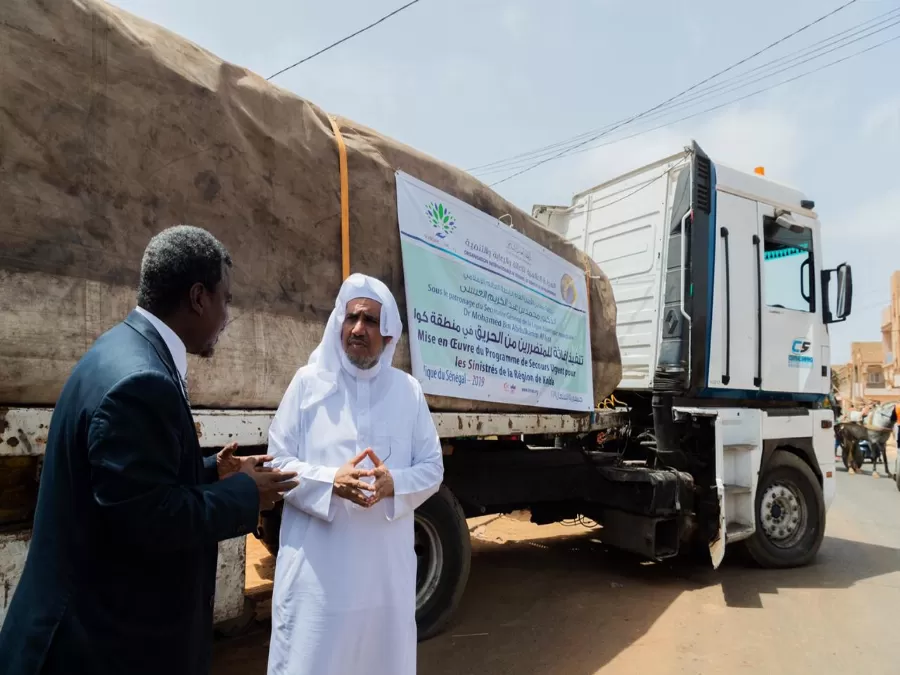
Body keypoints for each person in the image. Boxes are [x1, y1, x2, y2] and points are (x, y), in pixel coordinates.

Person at [0, 225, 298, 675]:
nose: (226, 314)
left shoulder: (125, 347)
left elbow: (128, 484)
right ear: (199, 297)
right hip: (94, 646)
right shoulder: (140, 381)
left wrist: (208, 471)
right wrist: (244, 493)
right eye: (225, 299)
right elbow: (151, 520)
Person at [266, 273, 444, 675]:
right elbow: (276, 464)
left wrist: (394, 482)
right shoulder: (306, 385)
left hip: (384, 581)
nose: (358, 329)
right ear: (338, 324)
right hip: (318, 582)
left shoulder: (408, 391)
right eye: (351, 319)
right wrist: (332, 481)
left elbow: (433, 468)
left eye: (369, 321)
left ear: (388, 333)